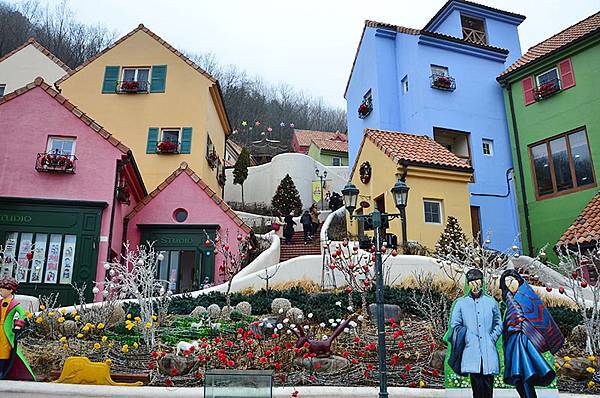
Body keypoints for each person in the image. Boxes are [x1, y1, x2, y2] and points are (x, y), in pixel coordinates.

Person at [500, 269, 564, 398]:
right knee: (518, 376)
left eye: (511, 281)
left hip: (525, 339)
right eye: (506, 283)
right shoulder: (509, 300)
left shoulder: (526, 295)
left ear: (518, 280)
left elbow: (540, 317)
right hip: (513, 340)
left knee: (525, 373)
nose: (510, 285)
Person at [447, 268, 502, 398]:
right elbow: (455, 325)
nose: (475, 284)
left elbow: (498, 323)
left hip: (488, 349)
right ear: (468, 284)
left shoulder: (491, 302)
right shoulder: (461, 303)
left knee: (488, 385)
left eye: (477, 281)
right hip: (471, 350)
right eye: (471, 282)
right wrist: (467, 337)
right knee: (476, 386)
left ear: (481, 282)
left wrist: (492, 338)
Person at [0, 277, 35, 381]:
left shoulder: (15, 304)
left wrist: (18, 325)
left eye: (3, 288)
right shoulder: (0, 302)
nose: (0, 290)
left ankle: (2, 371)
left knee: (4, 351)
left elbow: (22, 314)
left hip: (5, 331)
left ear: (10, 290)